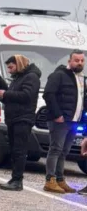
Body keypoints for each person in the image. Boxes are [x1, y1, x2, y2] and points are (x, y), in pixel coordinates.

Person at [41, 49, 86, 194]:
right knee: (55, 149)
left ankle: (60, 179)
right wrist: (57, 114)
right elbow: (48, 94)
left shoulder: (81, 78)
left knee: (64, 152)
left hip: (74, 121)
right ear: (69, 61)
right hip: (60, 120)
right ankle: (50, 180)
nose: (79, 63)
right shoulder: (58, 75)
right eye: (76, 60)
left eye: (82, 60)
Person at [0, 55, 41, 191]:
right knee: (15, 150)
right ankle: (14, 178)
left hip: (23, 119)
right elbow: (14, 97)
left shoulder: (31, 77)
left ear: (19, 64)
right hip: (13, 118)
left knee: (19, 150)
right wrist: (2, 96)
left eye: (11, 67)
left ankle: (17, 179)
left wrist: (6, 94)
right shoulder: (18, 78)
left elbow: (27, 96)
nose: (9, 71)